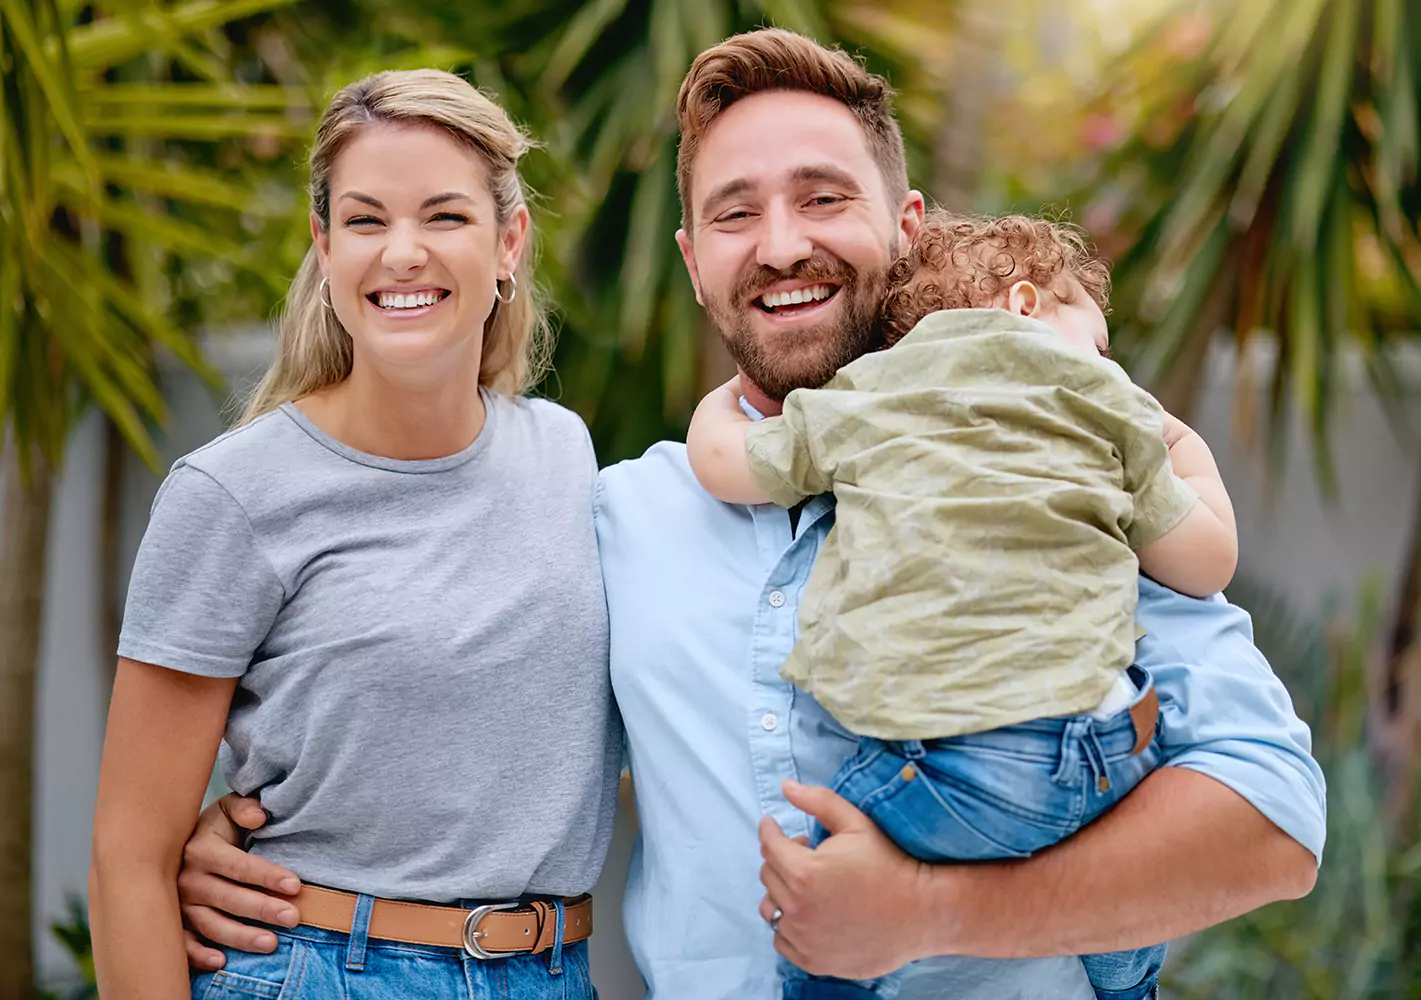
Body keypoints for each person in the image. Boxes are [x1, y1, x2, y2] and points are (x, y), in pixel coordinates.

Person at [170, 29, 1325, 1000]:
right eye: (735, 213)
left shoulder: (1051, 462)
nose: (780, 245)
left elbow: (1270, 829)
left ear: (909, 224)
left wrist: (927, 911)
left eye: (823, 198)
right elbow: (448, 693)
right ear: (690, 260)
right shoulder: (614, 512)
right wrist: (256, 849)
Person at [88, 69, 619, 1000]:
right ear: (324, 248)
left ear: (509, 243)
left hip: (552, 971)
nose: (402, 253)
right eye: (367, 221)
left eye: (445, 217)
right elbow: (127, 860)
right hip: (322, 969)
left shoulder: (566, 456)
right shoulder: (233, 495)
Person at [684, 206, 1238, 1000]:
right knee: (1121, 879)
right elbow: (1206, 560)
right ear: (1022, 305)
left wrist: (719, 401)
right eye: (1100, 345)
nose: (1109, 369)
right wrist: (1180, 445)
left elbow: (721, 462)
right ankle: (1126, 977)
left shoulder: (866, 395)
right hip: (1101, 754)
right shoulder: (1102, 407)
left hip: (943, 763)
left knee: (824, 891)